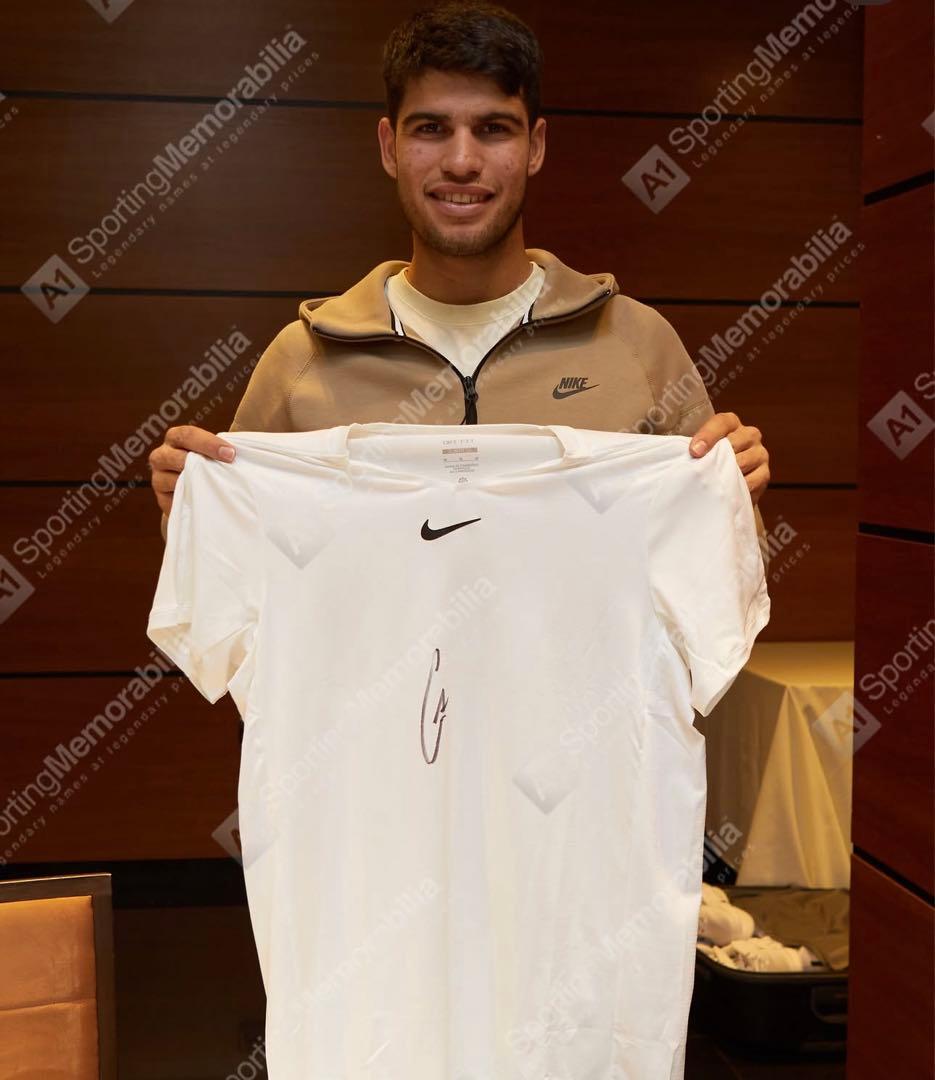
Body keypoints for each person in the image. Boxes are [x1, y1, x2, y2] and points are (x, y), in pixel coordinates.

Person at [148, 0, 770, 560]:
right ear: (390, 147)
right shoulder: (300, 363)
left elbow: (722, 575)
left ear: (535, 146)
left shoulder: (637, 344)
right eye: (432, 128)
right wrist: (191, 511)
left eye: (493, 128)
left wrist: (736, 495)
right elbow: (242, 574)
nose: (463, 161)